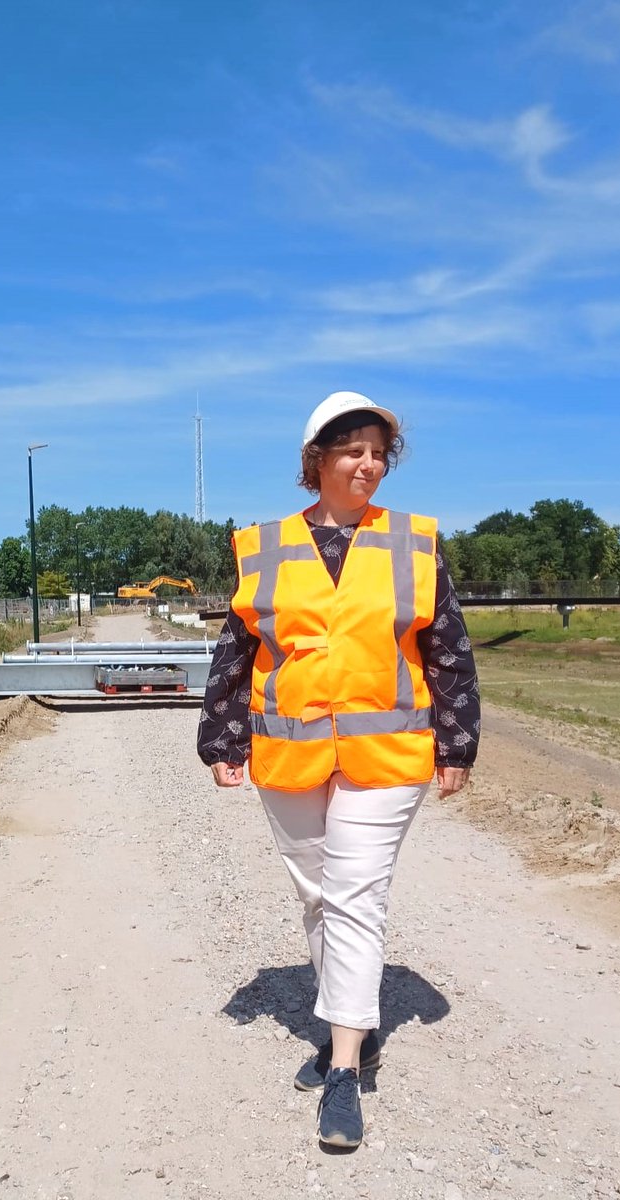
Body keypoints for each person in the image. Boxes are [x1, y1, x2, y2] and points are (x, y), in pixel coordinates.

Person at [197, 390, 480, 1150]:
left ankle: (345, 1069)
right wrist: (222, 739)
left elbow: (447, 647)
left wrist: (456, 744)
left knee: (355, 895)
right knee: (318, 896)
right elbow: (238, 650)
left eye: (379, 452)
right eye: (353, 450)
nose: (369, 464)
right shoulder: (264, 546)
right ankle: (355, 1026)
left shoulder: (414, 543)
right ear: (316, 459)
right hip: (289, 752)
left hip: (388, 754)